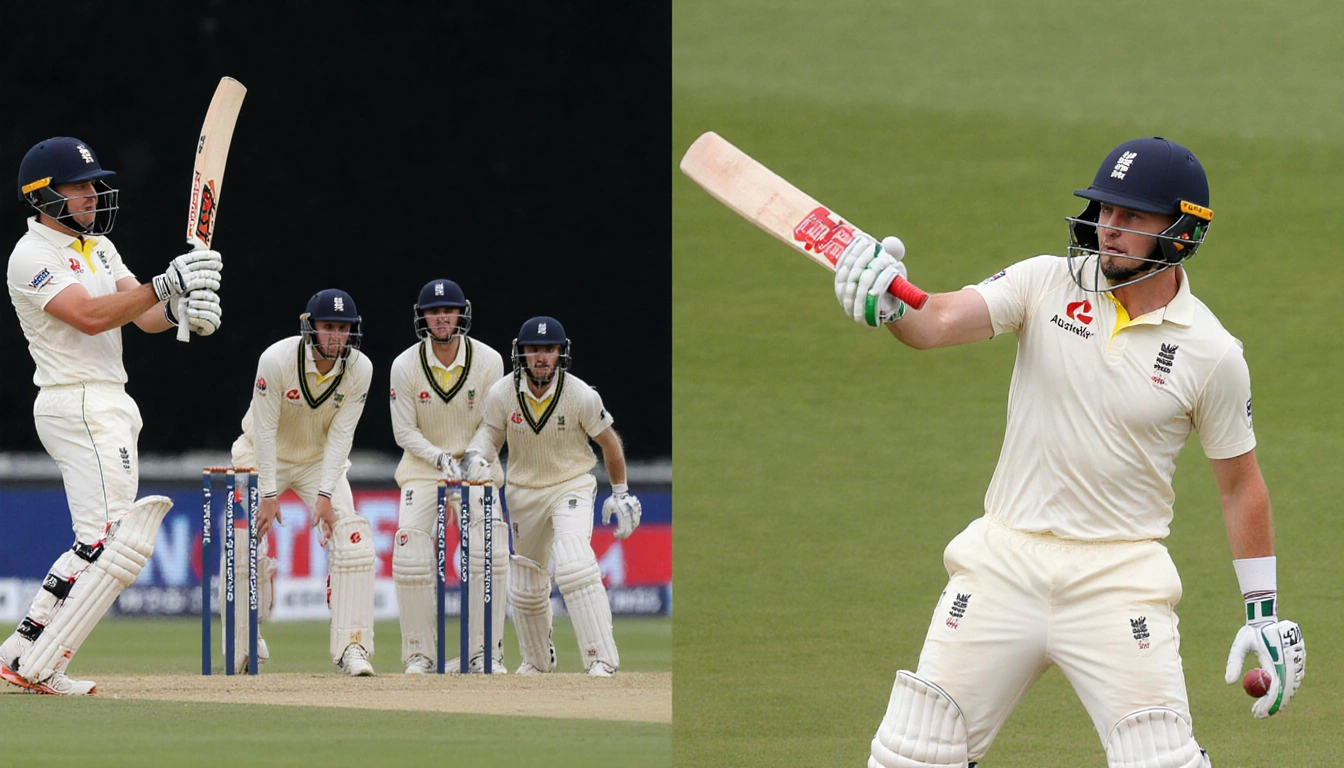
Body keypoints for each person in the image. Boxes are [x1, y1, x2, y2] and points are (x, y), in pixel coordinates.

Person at [834, 137, 1306, 767]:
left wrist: (1263, 613)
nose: (1110, 229)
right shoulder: (1044, 283)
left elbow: (1240, 485)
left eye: (1132, 216)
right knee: (913, 756)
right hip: (1003, 562)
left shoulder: (1213, 353)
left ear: (1181, 230)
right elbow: (936, 322)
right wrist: (890, 305)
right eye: (1104, 210)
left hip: (1119, 579)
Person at [0, 136, 223, 695]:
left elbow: (143, 316)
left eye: (95, 185)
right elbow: (91, 317)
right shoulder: (32, 256)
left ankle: (22, 651)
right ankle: (40, 663)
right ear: (44, 194)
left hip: (109, 400)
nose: (94, 195)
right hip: (73, 397)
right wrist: (164, 285)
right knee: (112, 541)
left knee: (98, 541)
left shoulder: (99, 247)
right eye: (80, 186)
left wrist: (183, 307)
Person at [461, 316, 642, 676]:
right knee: (527, 584)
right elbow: (490, 437)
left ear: (561, 353)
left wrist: (620, 492)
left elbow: (610, 444)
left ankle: (600, 658)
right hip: (523, 493)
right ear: (522, 353)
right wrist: (474, 458)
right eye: (534, 350)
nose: (542, 357)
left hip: (570, 484)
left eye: (549, 350)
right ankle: (538, 660)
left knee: (573, 561)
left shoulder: (581, 396)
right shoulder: (502, 393)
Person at [226, 288, 377, 676]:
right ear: (310, 328)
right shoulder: (276, 360)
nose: (336, 337)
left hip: (317, 462)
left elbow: (342, 437)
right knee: (243, 539)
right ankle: (246, 642)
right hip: (262, 453)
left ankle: (352, 646)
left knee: (352, 538)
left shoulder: (360, 369)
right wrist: (270, 494)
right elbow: (263, 429)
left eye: (343, 329)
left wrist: (325, 496)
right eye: (328, 327)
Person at [389, 278, 507, 673]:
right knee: (409, 549)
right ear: (423, 317)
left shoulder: (490, 361)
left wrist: (473, 457)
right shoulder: (404, 366)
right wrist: (440, 458)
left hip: (476, 465)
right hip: (424, 469)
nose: (441, 318)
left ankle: (485, 651)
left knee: (489, 545)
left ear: (461, 313)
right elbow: (404, 432)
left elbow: (494, 422)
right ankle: (420, 654)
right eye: (434, 311)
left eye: (448, 310)